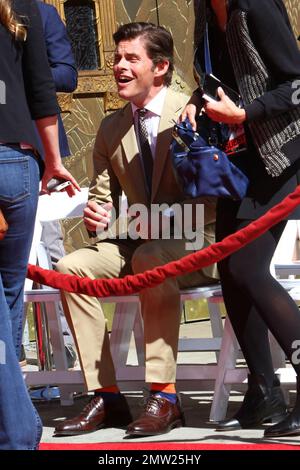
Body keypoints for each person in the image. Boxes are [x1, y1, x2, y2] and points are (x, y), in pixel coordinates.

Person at [54, 21, 217, 438]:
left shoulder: (191, 112)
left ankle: (164, 395)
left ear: (160, 66)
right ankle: (106, 396)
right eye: (115, 58)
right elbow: (103, 197)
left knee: (149, 256)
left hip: (197, 241)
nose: (118, 67)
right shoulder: (110, 127)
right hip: (138, 239)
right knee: (71, 267)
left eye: (131, 58)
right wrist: (97, 213)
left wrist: (137, 222)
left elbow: (212, 200)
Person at [181, 0, 300, 437]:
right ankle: (263, 390)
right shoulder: (202, 9)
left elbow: (298, 85)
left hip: (283, 156)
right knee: (230, 271)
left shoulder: (256, 6)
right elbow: (222, 78)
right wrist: (198, 101)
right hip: (237, 161)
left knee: (249, 266)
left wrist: (245, 113)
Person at [0, 0, 79, 449]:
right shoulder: (25, 7)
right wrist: (52, 160)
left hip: (18, 160)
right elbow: (42, 90)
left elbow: (49, 81)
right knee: (10, 296)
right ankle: (14, 420)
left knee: (6, 296)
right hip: (21, 161)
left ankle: (16, 431)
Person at [24, 1, 79, 375]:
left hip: (38, 148)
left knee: (49, 249)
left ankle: (62, 357)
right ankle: (14, 359)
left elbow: (68, 75)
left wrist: (20, 70)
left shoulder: (41, 13)